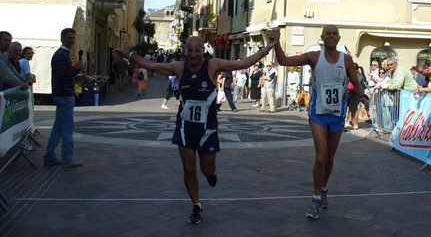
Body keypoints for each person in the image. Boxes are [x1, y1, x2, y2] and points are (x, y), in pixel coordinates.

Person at [112, 35, 276, 224]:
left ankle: (211, 174)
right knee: (189, 168)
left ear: (203, 51)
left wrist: (267, 49)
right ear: (185, 51)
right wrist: (129, 54)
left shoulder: (213, 65)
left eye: (197, 50)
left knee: (206, 170)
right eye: (190, 50)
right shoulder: (179, 67)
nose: (193, 54)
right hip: (185, 127)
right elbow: (153, 66)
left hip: (208, 130)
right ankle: (196, 205)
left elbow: (243, 63)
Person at [271, 25, 368, 220]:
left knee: (330, 158)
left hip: (337, 115)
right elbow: (283, 61)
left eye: (334, 34)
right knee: (321, 157)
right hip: (317, 113)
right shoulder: (314, 57)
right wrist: (276, 43)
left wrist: (363, 96)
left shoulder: (346, 60)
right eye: (328, 34)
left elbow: (355, 82)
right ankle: (315, 199)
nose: (331, 36)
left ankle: (323, 190)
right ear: (322, 37)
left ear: (338, 38)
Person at [43, 28, 84, 168]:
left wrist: (73, 71)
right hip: (64, 95)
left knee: (58, 127)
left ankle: (49, 156)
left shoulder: (63, 54)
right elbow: (61, 76)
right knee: (67, 127)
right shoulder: (61, 55)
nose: (72, 40)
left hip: (62, 94)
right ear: (62, 39)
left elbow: (63, 75)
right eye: (69, 38)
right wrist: (75, 69)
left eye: (73, 38)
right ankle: (67, 158)